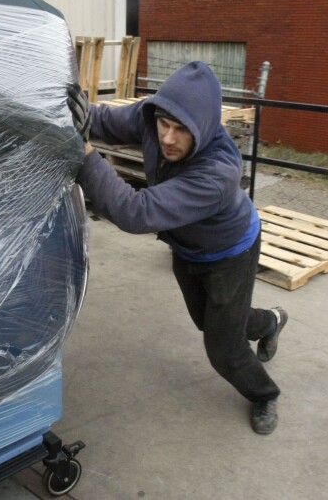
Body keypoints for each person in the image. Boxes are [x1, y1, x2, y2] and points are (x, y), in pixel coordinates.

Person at [68, 61, 287, 434]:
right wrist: (70, 109)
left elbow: (137, 213)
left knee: (223, 350)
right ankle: (271, 321)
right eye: (164, 125)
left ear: (202, 129)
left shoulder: (217, 173)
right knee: (208, 321)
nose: (168, 138)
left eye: (181, 130)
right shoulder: (155, 115)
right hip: (186, 248)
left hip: (229, 253)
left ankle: (264, 393)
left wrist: (87, 156)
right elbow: (104, 121)